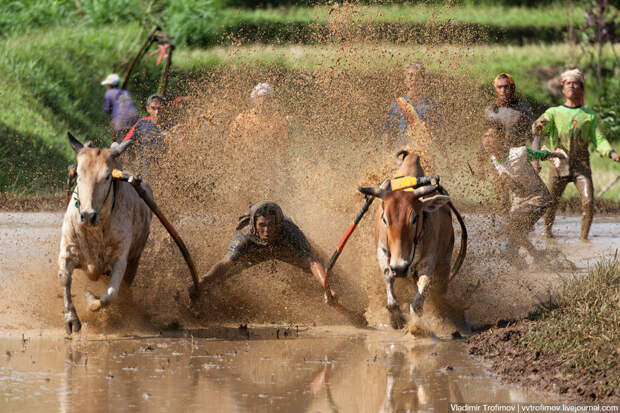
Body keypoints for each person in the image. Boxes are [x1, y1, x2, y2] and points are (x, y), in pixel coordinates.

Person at [532, 69, 620, 240]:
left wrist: (611, 153)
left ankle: (583, 239)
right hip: (558, 165)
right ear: (563, 89)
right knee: (551, 202)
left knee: (588, 202)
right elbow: (538, 128)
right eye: (568, 83)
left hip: (582, 166)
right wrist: (539, 124)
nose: (572, 86)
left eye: (576, 83)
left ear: (581, 89)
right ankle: (547, 233)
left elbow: (599, 139)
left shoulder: (589, 116)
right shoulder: (554, 112)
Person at [190, 202, 336, 304]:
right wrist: (203, 282)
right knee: (218, 279)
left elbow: (312, 262)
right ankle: (201, 301)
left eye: (271, 225)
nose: (267, 230)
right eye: (262, 225)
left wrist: (327, 287)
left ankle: (335, 294)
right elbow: (225, 262)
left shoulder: (291, 231)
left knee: (326, 268)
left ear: (279, 224)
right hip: (254, 252)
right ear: (254, 224)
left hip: (285, 251)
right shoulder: (245, 235)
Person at [481, 126, 565, 257]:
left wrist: (555, 154)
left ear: (501, 139)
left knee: (511, 229)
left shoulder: (519, 153)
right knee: (508, 250)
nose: (487, 140)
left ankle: (536, 256)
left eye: (491, 136)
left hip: (538, 198)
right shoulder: (493, 160)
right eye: (485, 137)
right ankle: (532, 266)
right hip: (519, 201)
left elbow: (539, 154)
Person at [483, 73, 538, 211]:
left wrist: (535, 160)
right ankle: (506, 230)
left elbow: (534, 135)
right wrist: (481, 162)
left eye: (506, 87)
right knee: (502, 200)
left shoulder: (524, 109)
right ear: (495, 89)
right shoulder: (490, 111)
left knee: (525, 197)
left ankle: (522, 229)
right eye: (500, 87)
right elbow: (485, 138)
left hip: (519, 159)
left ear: (512, 88)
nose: (503, 91)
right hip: (499, 159)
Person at [384, 62, 437, 169]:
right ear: (405, 81)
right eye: (410, 75)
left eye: (418, 76)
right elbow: (388, 134)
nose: (414, 79)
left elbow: (438, 134)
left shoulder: (430, 105)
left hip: (424, 158)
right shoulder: (397, 105)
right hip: (404, 157)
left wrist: (446, 160)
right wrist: (386, 159)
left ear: (423, 80)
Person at [228, 83, 288, 148]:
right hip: (247, 154)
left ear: (271, 101)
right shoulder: (243, 117)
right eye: (259, 98)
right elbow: (232, 140)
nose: (262, 102)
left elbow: (283, 146)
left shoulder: (278, 120)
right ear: (254, 100)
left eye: (266, 99)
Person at [123, 94, 166, 175]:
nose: (157, 112)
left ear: (165, 109)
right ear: (148, 109)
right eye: (153, 108)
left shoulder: (173, 128)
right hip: (145, 173)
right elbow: (125, 142)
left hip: (165, 174)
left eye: (160, 109)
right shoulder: (142, 123)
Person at [101, 73, 139, 143]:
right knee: (134, 143)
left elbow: (107, 109)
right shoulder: (126, 92)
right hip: (135, 119)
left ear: (109, 85)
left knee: (120, 145)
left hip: (121, 122)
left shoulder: (109, 93)